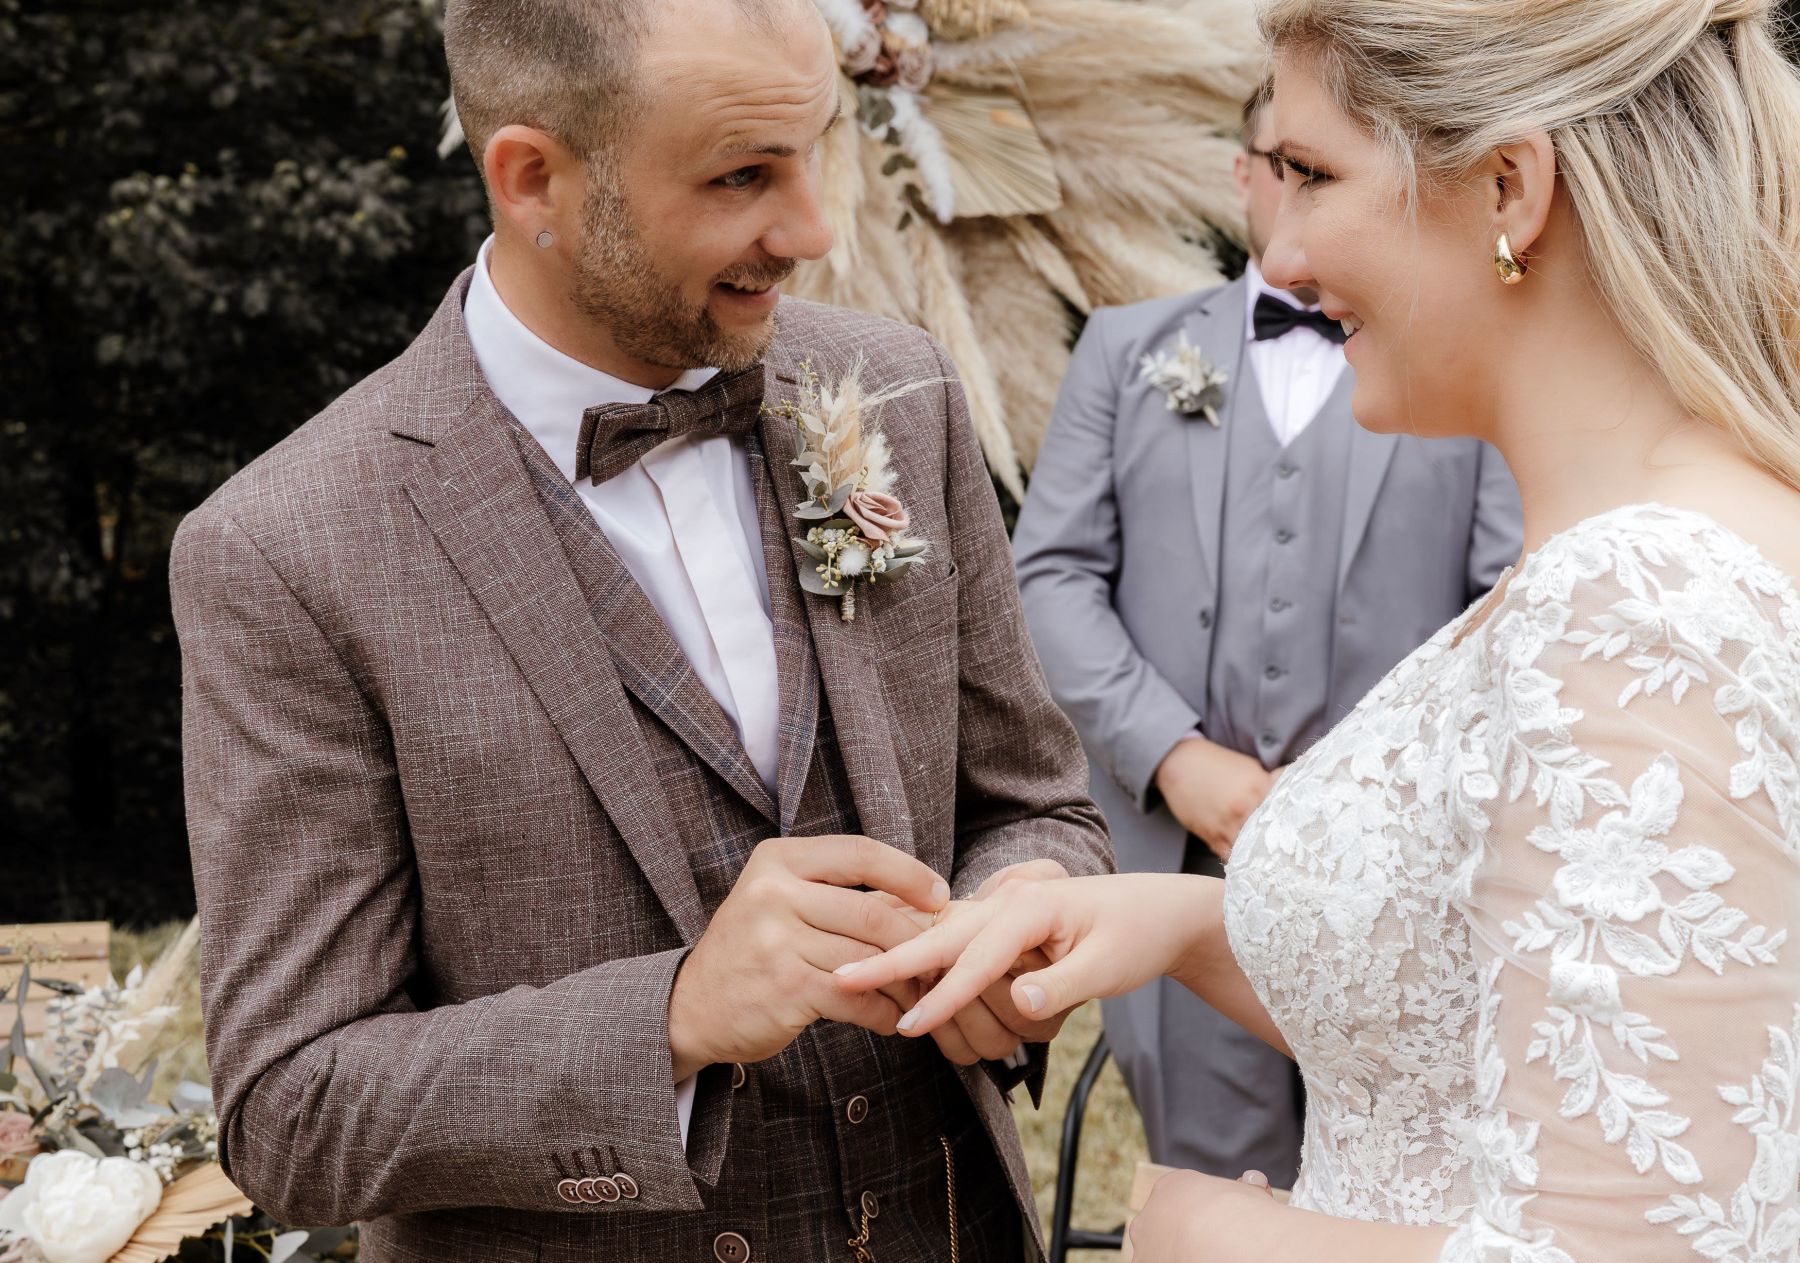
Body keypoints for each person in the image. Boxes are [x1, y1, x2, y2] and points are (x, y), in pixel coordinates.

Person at [842, 1, 1800, 1259]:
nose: (1280, 254)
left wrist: (1207, 1238)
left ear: (1508, 189)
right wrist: (1173, 924)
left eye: (1312, 174)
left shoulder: (1635, 606)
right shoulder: (1650, 550)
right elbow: (1517, 1029)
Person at [168, 1, 1112, 1260]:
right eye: (741, 177)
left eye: (815, 152)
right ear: (531, 179)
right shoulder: (285, 549)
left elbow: (1038, 807)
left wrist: (1021, 906)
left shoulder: (898, 391)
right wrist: (671, 1018)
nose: (813, 231)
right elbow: (292, 1113)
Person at [1011, 78, 1519, 1186]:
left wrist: (1369, 787)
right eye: (1281, 166)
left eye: (1323, 170)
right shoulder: (1125, 351)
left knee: (1402, 1173)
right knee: (1216, 1185)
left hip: (1403, 870)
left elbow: (1506, 594)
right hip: (1182, 855)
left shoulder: (1453, 359)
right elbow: (1049, 575)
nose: (1296, 195)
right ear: (1241, 173)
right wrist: (1173, 757)